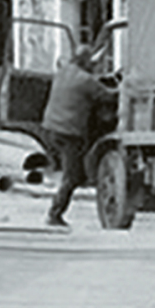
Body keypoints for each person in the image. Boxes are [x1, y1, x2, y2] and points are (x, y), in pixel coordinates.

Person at [42, 46, 118, 227]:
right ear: (86, 62)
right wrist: (125, 87)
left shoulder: (63, 72)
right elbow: (108, 97)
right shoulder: (85, 81)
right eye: (92, 62)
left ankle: (59, 207)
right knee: (72, 176)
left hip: (50, 129)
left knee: (73, 170)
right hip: (69, 132)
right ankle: (55, 213)